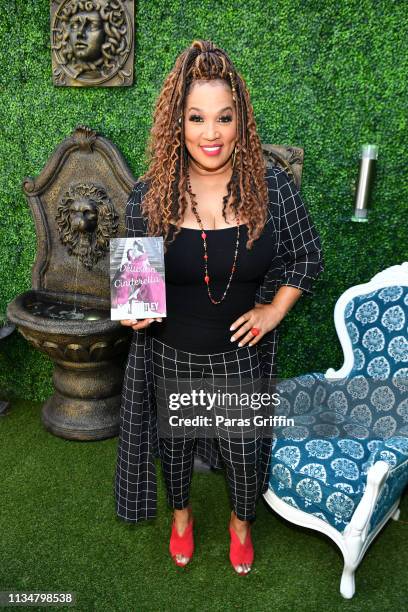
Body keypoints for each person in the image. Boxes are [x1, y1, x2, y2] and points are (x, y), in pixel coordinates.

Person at [115, 39, 324, 575]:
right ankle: (180, 518)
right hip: (168, 352)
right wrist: (134, 311)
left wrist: (274, 310)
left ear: (242, 122)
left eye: (224, 118)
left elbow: (307, 256)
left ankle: (240, 524)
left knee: (245, 449)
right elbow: (134, 286)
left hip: (239, 355)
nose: (211, 134)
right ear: (177, 124)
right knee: (175, 448)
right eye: (197, 117)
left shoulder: (272, 188)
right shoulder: (149, 195)